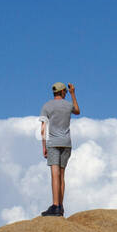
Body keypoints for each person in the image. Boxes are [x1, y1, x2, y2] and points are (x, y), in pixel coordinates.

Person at [40, 82, 80, 216]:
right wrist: (73, 93)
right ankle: (61, 206)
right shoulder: (68, 105)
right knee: (62, 175)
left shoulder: (47, 106)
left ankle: (55, 205)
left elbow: (43, 128)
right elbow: (77, 111)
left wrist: (43, 146)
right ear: (63, 92)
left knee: (54, 174)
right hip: (66, 143)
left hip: (53, 142)